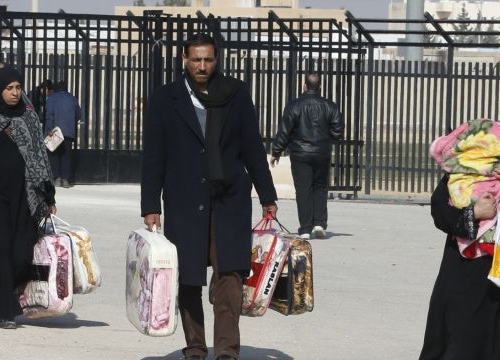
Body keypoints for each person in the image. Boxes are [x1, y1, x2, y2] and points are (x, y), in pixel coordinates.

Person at [141, 33, 278, 360]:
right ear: (184, 60)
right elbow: (154, 155)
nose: (202, 66)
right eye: (196, 60)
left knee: (230, 274)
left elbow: (252, 148)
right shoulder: (165, 98)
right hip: (185, 199)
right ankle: (195, 349)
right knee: (187, 278)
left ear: (217, 60)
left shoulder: (235, 94)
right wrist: (151, 206)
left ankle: (227, 352)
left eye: (208, 60)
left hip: (229, 198)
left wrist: (267, 195)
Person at [0, 66, 57, 329]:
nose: (14, 93)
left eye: (18, 87)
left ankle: (11, 296)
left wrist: (48, 196)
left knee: (22, 252)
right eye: (8, 88)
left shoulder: (30, 118)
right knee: (2, 251)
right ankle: (5, 311)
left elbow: (41, 159)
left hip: (26, 195)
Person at [419, 175, 500, 359]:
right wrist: (474, 213)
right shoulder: (471, 163)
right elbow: (440, 208)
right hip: (468, 274)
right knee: (462, 342)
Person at [270, 72, 344, 240]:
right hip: (322, 152)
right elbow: (338, 129)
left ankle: (305, 228)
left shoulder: (294, 105)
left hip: (300, 152)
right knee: (320, 187)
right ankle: (319, 223)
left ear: (304, 86)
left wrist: (276, 151)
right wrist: (327, 139)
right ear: (320, 87)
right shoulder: (330, 106)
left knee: (303, 189)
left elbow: (285, 130)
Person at [45, 80, 82, 188]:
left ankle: (57, 178)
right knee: (66, 155)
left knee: (54, 154)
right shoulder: (72, 99)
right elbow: (79, 114)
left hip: (55, 132)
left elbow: (49, 115)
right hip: (68, 132)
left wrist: (49, 130)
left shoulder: (51, 99)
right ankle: (66, 179)